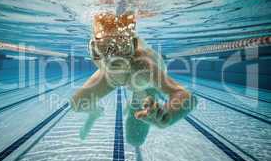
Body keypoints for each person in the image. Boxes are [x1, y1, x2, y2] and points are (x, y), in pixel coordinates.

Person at [70, 11, 197, 146]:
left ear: (133, 46)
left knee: (134, 139)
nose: (112, 57)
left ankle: (136, 98)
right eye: (102, 48)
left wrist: (169, 116)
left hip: (145, 84)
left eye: (121, 47)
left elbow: (186, 96)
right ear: (94, 48)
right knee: (77, 104)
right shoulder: (102, 59)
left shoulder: (144, 66)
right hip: (114, 77)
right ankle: (95, 114)